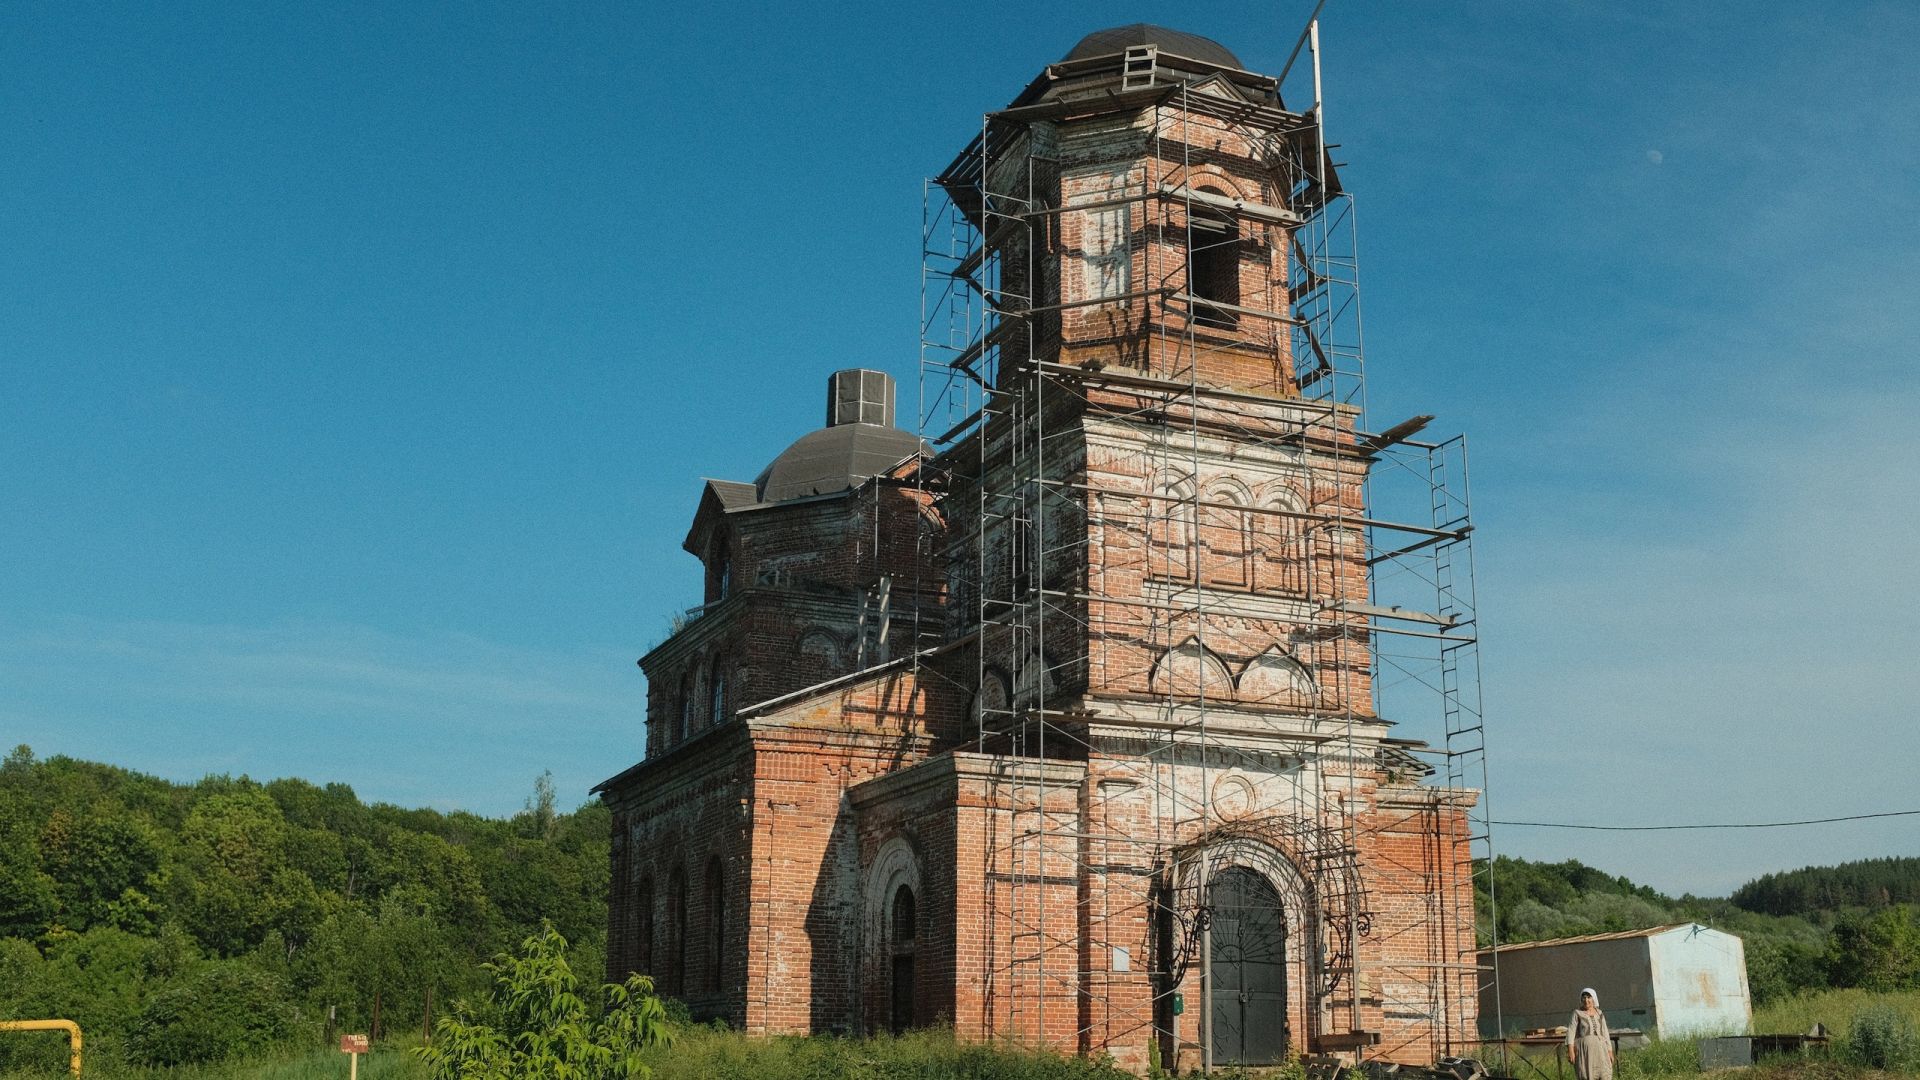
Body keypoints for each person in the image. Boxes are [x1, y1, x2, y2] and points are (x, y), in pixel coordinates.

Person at [1564, 987, 1614, 1080]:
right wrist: (1570, 1051)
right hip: (1586, 1053)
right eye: (1584, 997)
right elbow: (1571, 1032)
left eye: (1589, 997)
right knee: (1587, 1075)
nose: (1586, 1000)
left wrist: (1610, 1051)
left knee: (1604, 1074)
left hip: (1601, 1051)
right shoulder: (1577, 1013)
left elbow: (1605, 1033)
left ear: (1593, 998)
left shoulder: (1599, 1013)